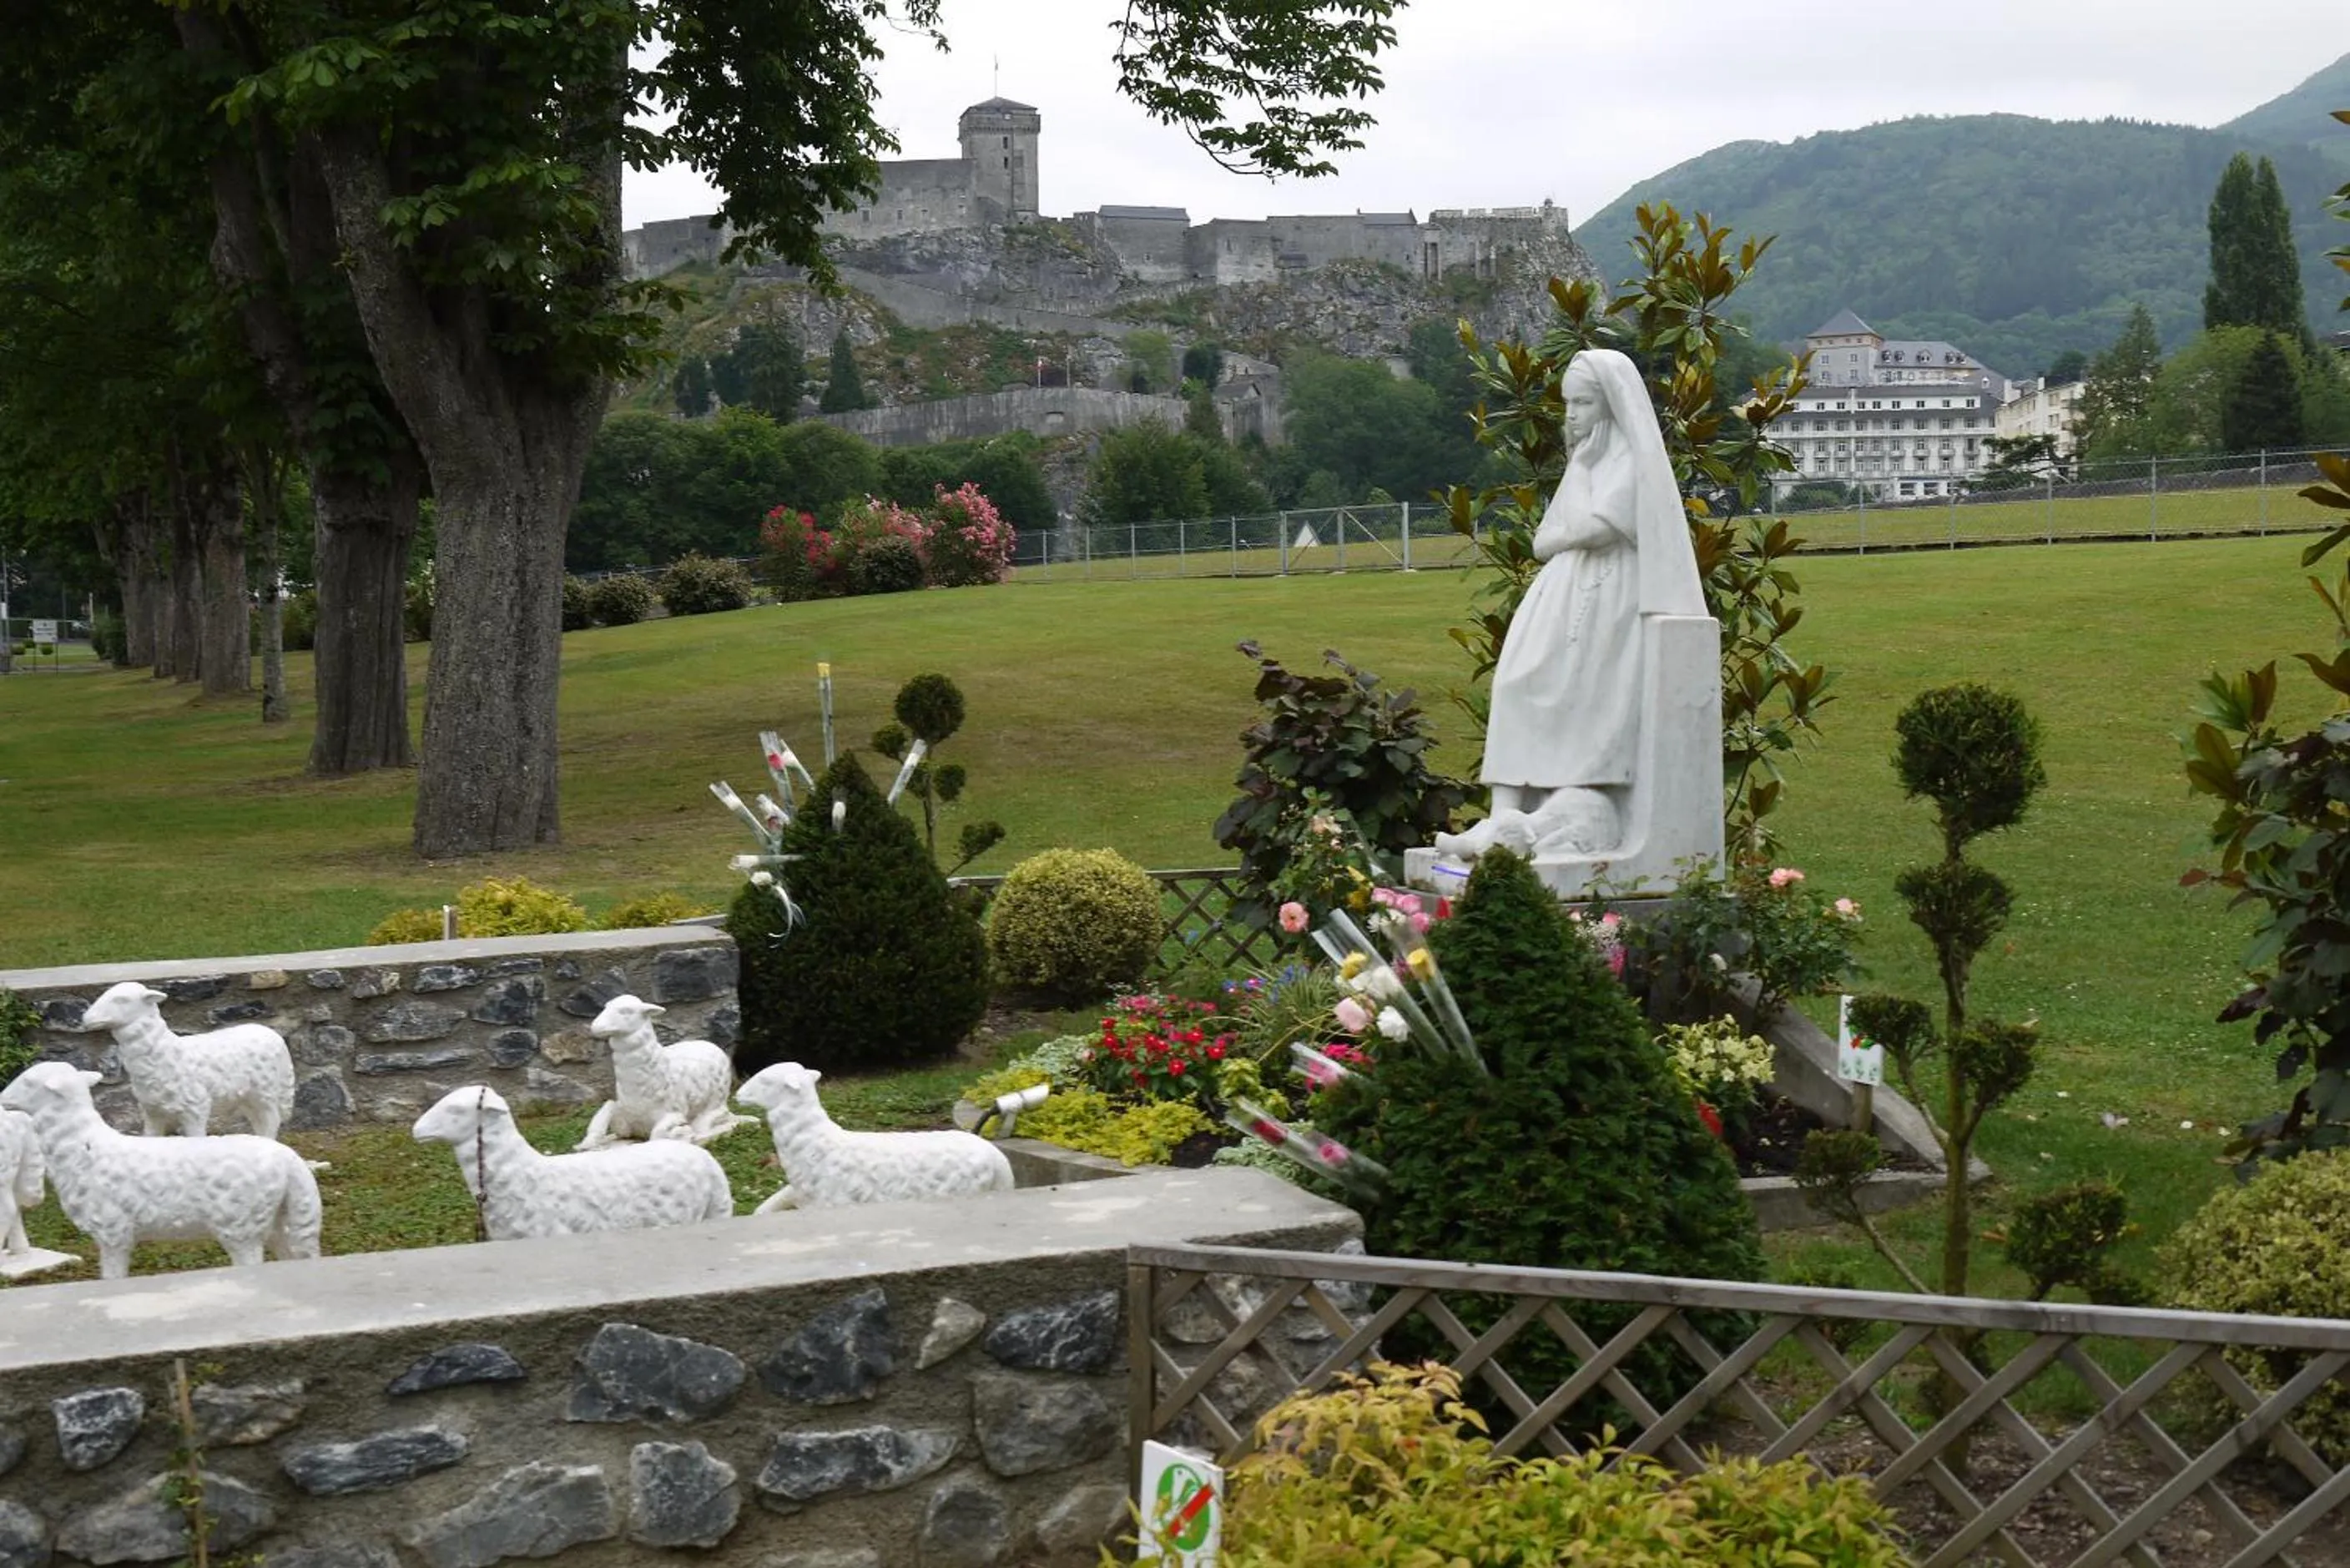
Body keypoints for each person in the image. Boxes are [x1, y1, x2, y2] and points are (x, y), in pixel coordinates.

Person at [1437, 348, 1704, 860]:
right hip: (1568, 591)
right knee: (1517, 679)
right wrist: (1571, 522)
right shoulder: (1588, 463)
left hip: (1612, 596)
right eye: (1568, 406)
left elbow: (1594, 528)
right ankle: (1502, 814)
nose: (1572, 417)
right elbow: (1544, 539)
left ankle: (1553, 812)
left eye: (1582, 404)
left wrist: (1572, 522)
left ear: (1609, 405)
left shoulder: (1631, 463)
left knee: (1577, 693)